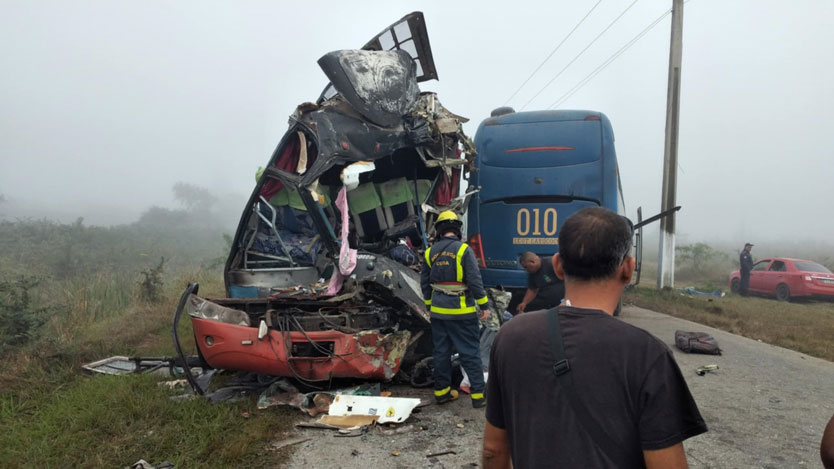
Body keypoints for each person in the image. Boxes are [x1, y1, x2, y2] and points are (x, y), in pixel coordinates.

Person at [483, 207, 707, 468]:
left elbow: (493, 449)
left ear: (557, 265)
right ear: (628, 269)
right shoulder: (647, 353)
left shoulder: (510, 337)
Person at [421, 210, 490, 408]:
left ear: (440, 230)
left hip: (438, 312)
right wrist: (483, 305)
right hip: (462, 312)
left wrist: (428, 306)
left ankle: (442, 393)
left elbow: (425, 283)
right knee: (469, 352)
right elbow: (475, 281)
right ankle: (478, 396)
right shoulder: (463, 250)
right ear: (457, 229)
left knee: (441, 352)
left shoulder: (429, 253)